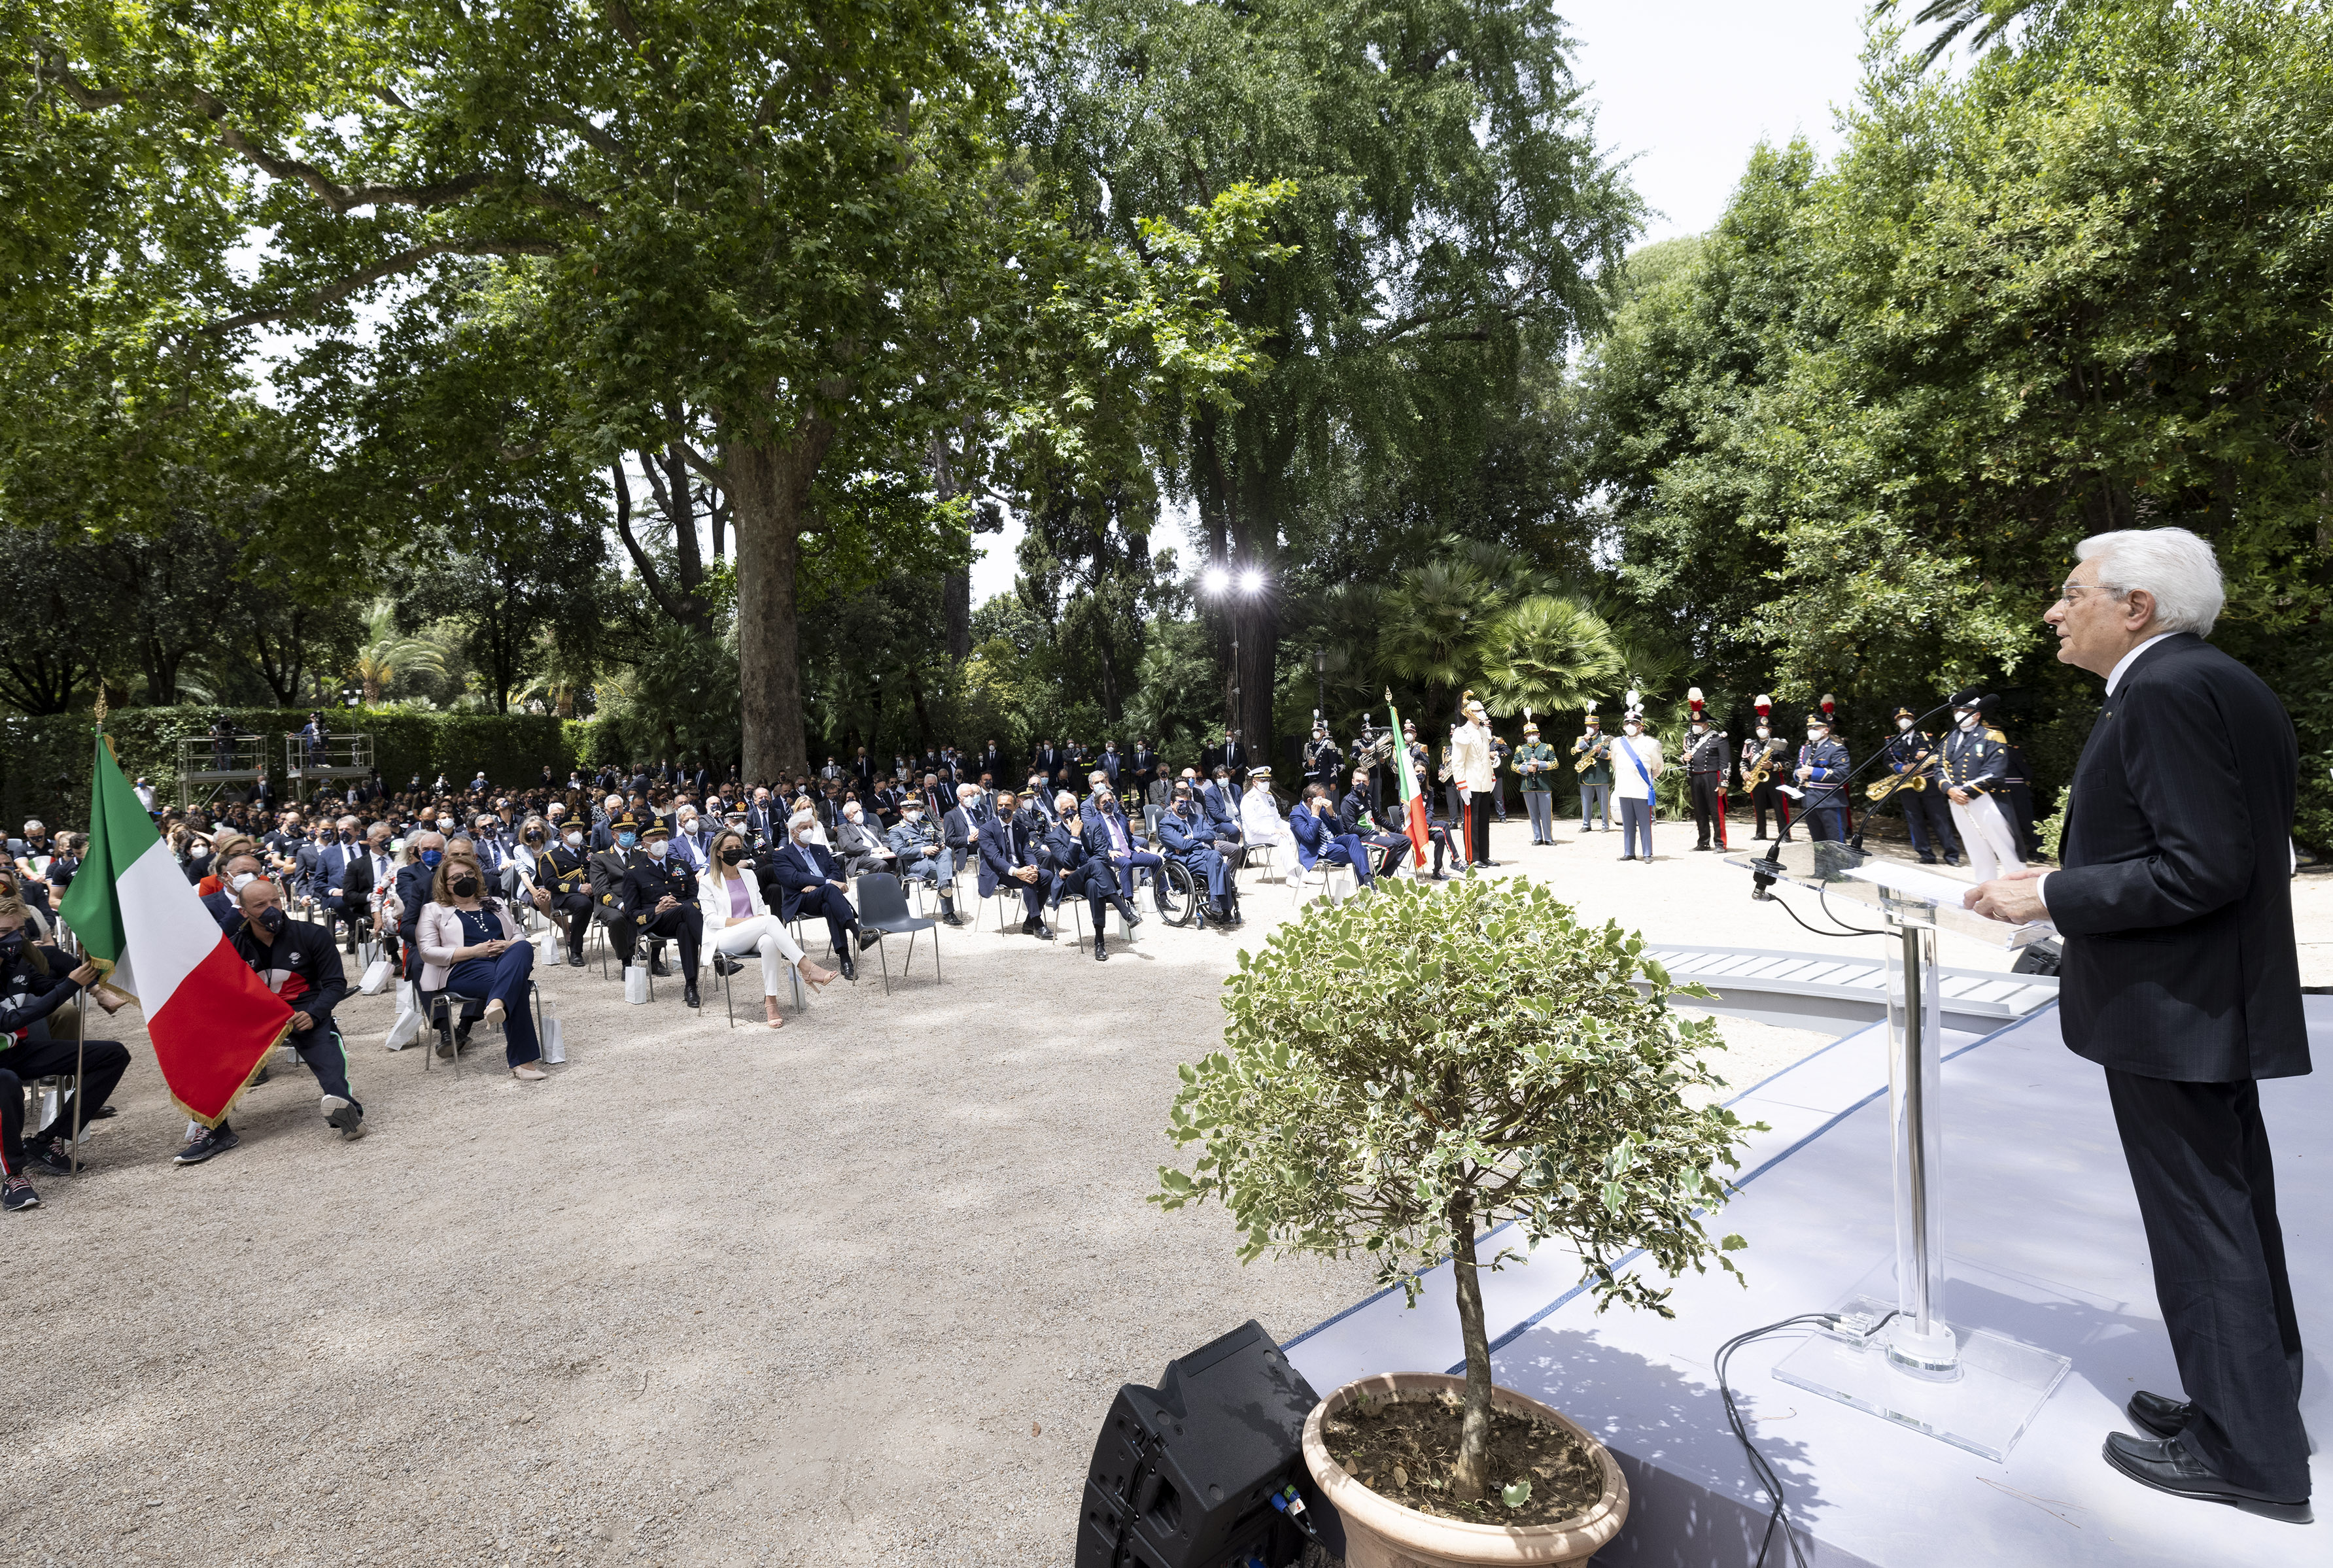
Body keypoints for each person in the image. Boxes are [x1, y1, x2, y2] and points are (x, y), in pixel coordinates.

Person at [1969, 526, 2309, 1524]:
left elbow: (2200, 866)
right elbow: (2215, 846)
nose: (2053, 610)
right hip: (2207, 1000)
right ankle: (2251, 1405)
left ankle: (2247, 1456)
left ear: (2135, 607)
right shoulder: (2215, 680)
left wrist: (2050, 894)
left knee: (2201, 1225)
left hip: (2173, 1008)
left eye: (2071, 591)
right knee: (2233, 1212)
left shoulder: (2161, 690)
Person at [180, 876, 364, 1164]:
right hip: (256, 1016)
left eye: (275, 901)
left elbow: (335, 984)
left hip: (304, 1011)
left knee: (327, 1053)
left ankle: (346, 1111)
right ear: (243, 912)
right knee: (208, 1051)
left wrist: (315, 1013)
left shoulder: (313, 935)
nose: (271, 909)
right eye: (260, 905)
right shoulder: (232, 948)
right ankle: (216, 1130)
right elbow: (221, 996)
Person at [0, 901, 130, 1208]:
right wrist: (71, 985)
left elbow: (49, 989)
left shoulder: (16, 961)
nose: (15, 938)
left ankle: (45, 1141)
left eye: (20, 930)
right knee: (6, 1082)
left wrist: (90, 970)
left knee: (112, 1055)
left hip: (16, 1051)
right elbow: (10, 1021)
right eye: (4, 932)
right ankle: (13, 1176)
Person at [416, 853, 547, 1080]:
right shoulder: (433, 910)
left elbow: (518, 935)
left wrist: (507, 945)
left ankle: (497, 1002)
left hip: (504, 962)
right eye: (457, 878)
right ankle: (522, 1062)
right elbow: (427, 952)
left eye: (470, 874)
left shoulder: (495, 903)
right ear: (445, 885)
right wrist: (474, 951)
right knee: (518, 987)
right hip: (462, 968)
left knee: (523, 947)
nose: (465, 880)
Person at [697, 827, 838, 1027]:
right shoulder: (707, 881)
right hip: (724, 937)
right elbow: (711, 920)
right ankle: (807, 968)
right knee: (771, 920)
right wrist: (749, 922)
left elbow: (761, 911)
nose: (734, 851)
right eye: (729, 848)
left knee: (770, 941)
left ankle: (771, 1003)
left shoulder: (749, 876)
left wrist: (756, 922)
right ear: (719, 852)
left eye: (737, 847)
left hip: (754, 934)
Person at [770, 813, 874, 977]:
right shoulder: (782, 855)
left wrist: (819, 885)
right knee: (830, 889)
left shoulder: (820, 849)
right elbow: (794, 878)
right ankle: (858, 931)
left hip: (825, 897)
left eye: (811, 827)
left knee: (829, 905)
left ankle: (845, 960)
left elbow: (836, 872)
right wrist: (826, 882)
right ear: (793, 832)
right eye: (804, 828)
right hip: (801, 899)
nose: (809, 831)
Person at [1938, 690, 2023, 881]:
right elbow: (1939, 767)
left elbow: (1995, 772)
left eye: (1965, 710)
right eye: (1957, 711)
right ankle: (1984, 885)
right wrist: (1949, 789)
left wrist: (1965, 791)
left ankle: (2018, 883)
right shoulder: (1948, 737)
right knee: (1975, 846)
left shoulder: (1992, 736)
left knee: (2004, 845)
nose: (1960, 714)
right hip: (1956, 799)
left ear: (1977, 714)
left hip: (1985, 797)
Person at [626, 820, 706, 1008]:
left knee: (685, 926)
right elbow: (631, 913)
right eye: (655, 840)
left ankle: (691, 986)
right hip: (656, 921)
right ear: (644, 844)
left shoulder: (682, 865)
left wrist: (679, 905)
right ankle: (716, 954)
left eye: (664, 838)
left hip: (683, 917)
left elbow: (695, 898)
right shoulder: (634, 873)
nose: (661, 843)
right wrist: (656, 909)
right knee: (687, 912)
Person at [1879, 707, 1961, 866]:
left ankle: (1952, 855)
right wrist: (1903, 768)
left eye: (1908, 717)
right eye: (1900, 718)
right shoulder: (1891, 741)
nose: (1904, 720)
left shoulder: (1926, 737)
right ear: (1896, 722)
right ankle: (1926, 854)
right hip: (1907, 785)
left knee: (1940, 820)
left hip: (1929, 784)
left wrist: (1928, 755)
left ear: (1914, 720)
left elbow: (1943, 756)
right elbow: (1887, 761)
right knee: (1914, 820)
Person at [975, 791, 1057, 938]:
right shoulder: (986, 829)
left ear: (1015, 807)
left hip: (1020, 869)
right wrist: (1017, 872)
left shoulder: (1021, 828)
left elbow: (1028, 852)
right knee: (1027, 879)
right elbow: (995, 858)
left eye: (1007, 805)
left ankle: (1029, 922)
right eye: (1000, 805)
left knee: (1047, 875)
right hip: (998, 873)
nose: (1003, 808)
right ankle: (1037, 923)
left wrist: (1033, 867)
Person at [1157, 781, 1237, 927]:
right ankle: (1225, 911)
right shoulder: (1166, 824)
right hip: (1186, 860)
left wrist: (1193, 837)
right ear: (1172, 804)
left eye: (1187, 802)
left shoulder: (1198, 818)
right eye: (1181, 802)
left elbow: (1211, 835)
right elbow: (1181, 845)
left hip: (1205, 855)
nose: (1184, 805)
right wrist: (1201, 842)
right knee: (1223, 867)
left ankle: (1215, 901)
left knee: (1217, 859)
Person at [884, 800, 962, 926]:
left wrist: (940, 846)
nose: (914, 812)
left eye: (916, 809)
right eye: (910, 810)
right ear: (902, 812)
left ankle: (943, 888)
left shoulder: (927, 825)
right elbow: (899, 852)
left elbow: (937, 840)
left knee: (946, 851)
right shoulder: (896, 830)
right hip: (915, 864)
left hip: (935, 859)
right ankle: (948, 912)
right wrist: (923, 850)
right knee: (945, 872)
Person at [532, 817, 596, 966]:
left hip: (594, 891)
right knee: (583, 904)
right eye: (572, 831)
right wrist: (579, 888)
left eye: (579, 830)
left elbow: (602, 872)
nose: (576, 833)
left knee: (619, 902)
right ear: (562, 835)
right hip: (567, 895)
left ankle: (632, 946)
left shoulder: (592, 852)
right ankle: (576, 951)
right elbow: (550, 882)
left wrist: (594, 886)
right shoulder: (551, 856)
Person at [1290, 783, 1375, 894]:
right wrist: (1315, 816)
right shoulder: (1296, 815)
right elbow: (1309, 837)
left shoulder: (1322, 809)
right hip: (1318, 848)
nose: (1324, 801)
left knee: (1353, 838)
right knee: (1361, 851)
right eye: (1321, 799)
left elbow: (1339, 831)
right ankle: (1367, 883)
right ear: (1310, 801)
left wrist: (1331, 813)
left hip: (1333, 841)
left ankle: (1366, 883)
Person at [1609, 704, 1665, 863]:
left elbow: (1658, 767)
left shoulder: (1651, 744)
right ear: (1623, 727)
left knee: (1645, 823)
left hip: (1641, 788)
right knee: (1627, 822)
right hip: (1624, 787)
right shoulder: (1617, 743)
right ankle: (1629, 852)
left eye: (1634, 723)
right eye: (1627, 723)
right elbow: (1615, 763)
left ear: (1641, 726)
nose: (1630, 726)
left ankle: (1647, 853)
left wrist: (1648, 780)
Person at [1792, 704, 1852, 844]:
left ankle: (1839, 860)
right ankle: (1820, 860)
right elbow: (1797, 768)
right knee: (1818, 842)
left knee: (1836, 841)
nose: (1811, 731)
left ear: (1826, 730)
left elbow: (1842, 773)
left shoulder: (1836, 749)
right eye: (1809, 728)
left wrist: (1813, 771)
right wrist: (1799, 773)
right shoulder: (1805, 748)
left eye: (1815, 728)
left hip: (1829, 800)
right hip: (1809, 800)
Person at [1340, 768, 1415, 878]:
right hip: (1359, 838)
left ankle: (1383, 874)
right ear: (1353, 782)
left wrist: (1399, 830)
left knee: (1405, 841)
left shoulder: (1368, 797)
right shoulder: (1348, 802)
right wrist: (1378, 833)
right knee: (1392, 844)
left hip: (1372, 834)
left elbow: (1379, 818)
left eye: (1364, 781)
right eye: (1358, 781)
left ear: (1368, 782)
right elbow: (1352, 828)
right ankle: (1378, 876)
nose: (1361, 784)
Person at [1681, 692, 1729, 852]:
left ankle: (1720, 843)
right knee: (1700, 811)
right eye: (1694, 723)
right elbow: (1685, 757)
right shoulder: (1689, 737)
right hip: (1695, 777)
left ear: (1706, 723)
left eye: (1699, 723)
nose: (1696, 725)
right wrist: (1684, 758)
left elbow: (1725, 762)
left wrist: (1723, 782)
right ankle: (1703, 842)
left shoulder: (1718, 738)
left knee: (1716, 811)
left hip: (1712, 776)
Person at [1741, 697, 1792, 842]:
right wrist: (1744, 772)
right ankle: (1761, 833)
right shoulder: (1750, 744)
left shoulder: (1779, 743)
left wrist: (1773, 766)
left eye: (1764, 728)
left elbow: (1788, 763)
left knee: (1780, 807)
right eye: (1758, 728)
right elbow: (1744, 761)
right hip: (1756, 779)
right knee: (1758, 806)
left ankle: (1784, 835)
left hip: (1774, 779)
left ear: (1770, 729)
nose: (1761, 730)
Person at [1513, 719, 1557, 845]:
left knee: (1546, 813)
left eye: (1534, 733)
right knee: (1533, 813)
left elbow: (1555, 763)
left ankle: (1548, 838)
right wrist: (1526, 769)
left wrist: (1539, 764)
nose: (1531, 736)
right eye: (1529, 734)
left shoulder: (1547, 747)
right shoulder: (1521, 749)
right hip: (1527, 785)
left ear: (1539, 735)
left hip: (1543, 784)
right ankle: (1537, 837)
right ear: (1525, 737)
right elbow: (1514, 765)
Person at [1238, 767, 1292, 868]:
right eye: (1263, 781)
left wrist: (1292, 828)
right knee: (1281, 838)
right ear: (1255, 782)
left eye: (1268, 780)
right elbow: (1253, 827)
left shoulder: (1269, 797)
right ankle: (1292, 873)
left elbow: (1277, 819)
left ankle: (1302, 867)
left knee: (1296, 834)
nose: (1266, 783)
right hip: (1255, 836)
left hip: (1270, 833)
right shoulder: (1248, 800)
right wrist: (1274, 830)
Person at [1572, 711, 1613, 832]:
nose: (1589, 727)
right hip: (1586, 774)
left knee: (1604, 802)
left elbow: (1613, 755)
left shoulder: (1606, 739)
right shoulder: (1581, 739)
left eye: (1591, 725)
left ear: (1597, 726)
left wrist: (1601, 752)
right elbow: (1574, 751)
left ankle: (1605, 825)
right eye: (1587, 725)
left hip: (1601, 774)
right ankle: (1586, 825)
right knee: (1586, 801)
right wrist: (1585, 741)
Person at [833, 799, 893, 879]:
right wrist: (872, 850)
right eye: (855, 812)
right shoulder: (844, 828)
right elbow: (847, 845)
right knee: (881, 864)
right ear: (847, 816)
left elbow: (884, 840)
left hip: (882, 854)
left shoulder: (872, 827)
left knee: (900, 861)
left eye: (860, 810)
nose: (859, 813)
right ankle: (880, 886)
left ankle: (899, 886)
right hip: (860, 857)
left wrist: (886, 848)